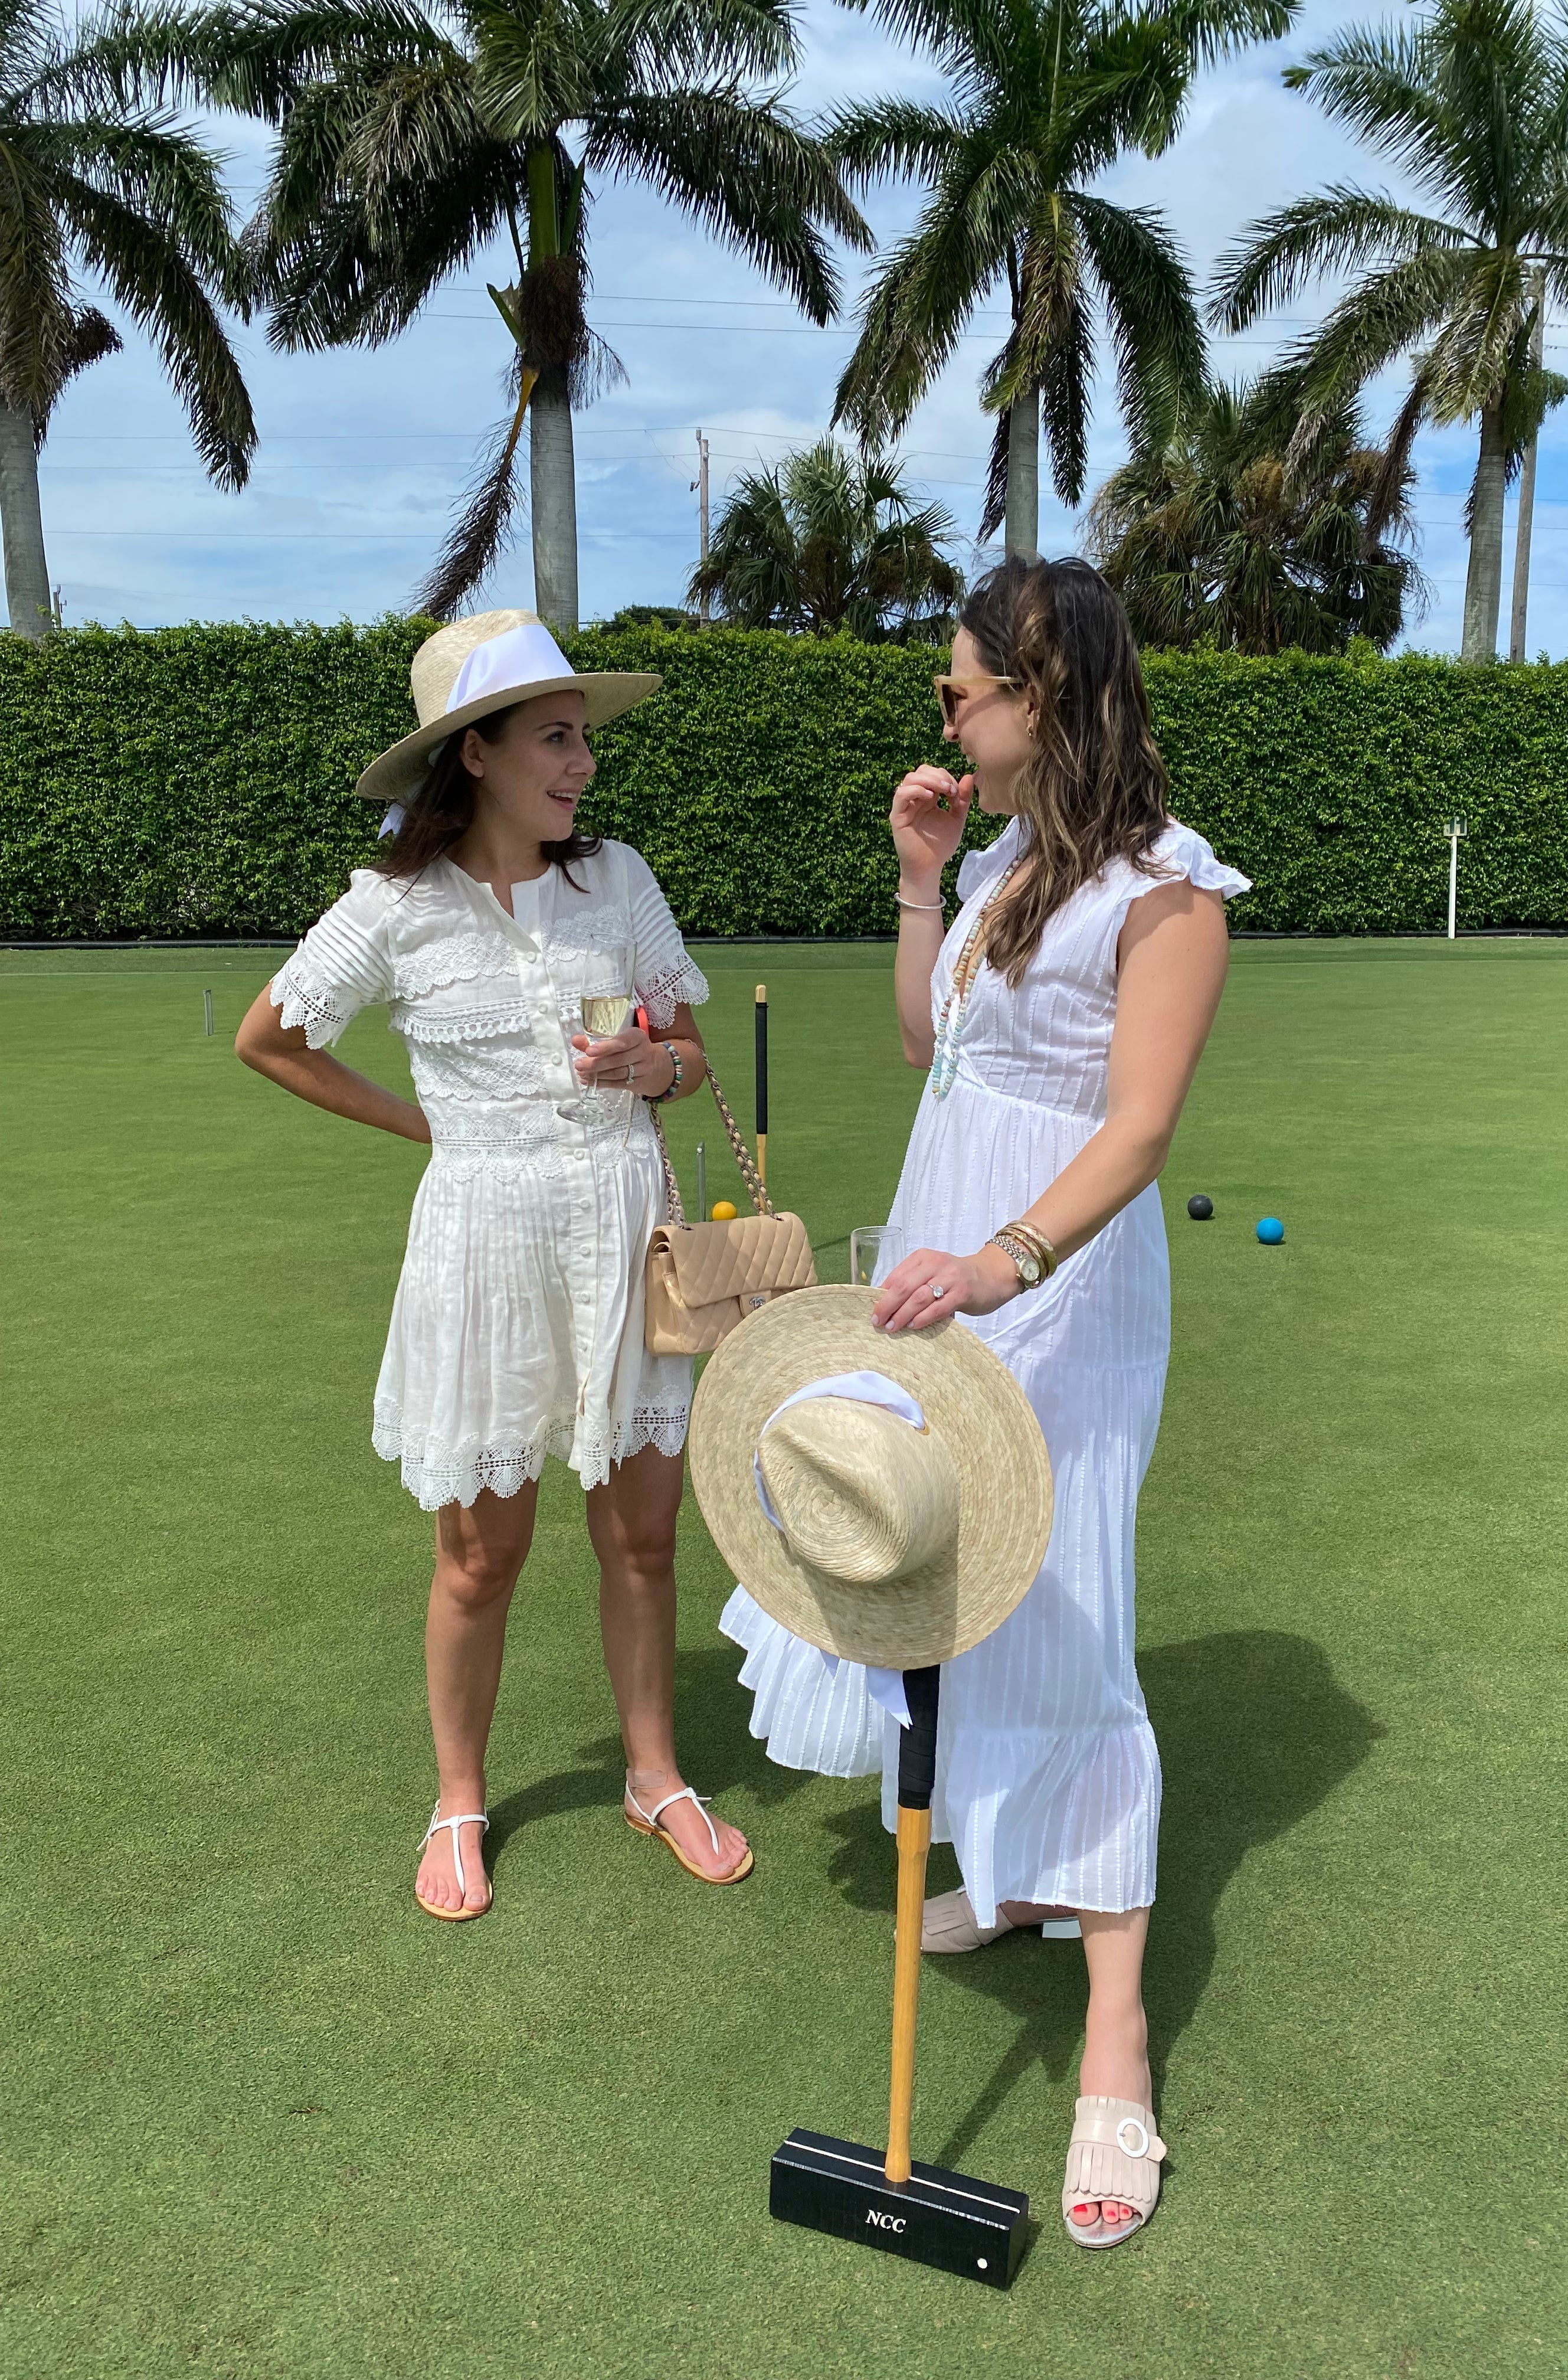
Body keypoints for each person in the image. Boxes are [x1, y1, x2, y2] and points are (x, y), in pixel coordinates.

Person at [722, 555, 1246, 2245]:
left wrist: (1005, 1261)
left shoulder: (1167, 891)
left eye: (964, 688)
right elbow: (925, 1050)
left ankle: (1114, 2039)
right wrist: (919, 880)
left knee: (1069, 1612)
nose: (942, 713)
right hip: (940, 1273)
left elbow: (1140, 1127)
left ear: (1054, 692)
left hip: (1059, 1292)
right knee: (939, 1574)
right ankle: (1010, 1877)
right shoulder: (1011, 863)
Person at [236, 608, 752, 1919]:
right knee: (480, 1553)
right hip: (484, 1244)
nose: (583, 763)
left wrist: (659, 1066)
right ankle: (458, 1797)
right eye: (556, 739)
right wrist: (424, 1123)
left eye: (585, 739)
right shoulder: (394, 909)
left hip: (626, 1227)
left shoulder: (619, 880)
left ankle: (652, 1773)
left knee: (642, 1535)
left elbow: (692, 1055)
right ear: (475, 753)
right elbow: (271, 1039)